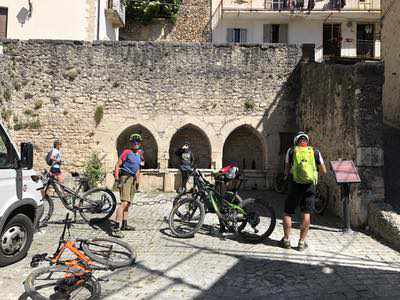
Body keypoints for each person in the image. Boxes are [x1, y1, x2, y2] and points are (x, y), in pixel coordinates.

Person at [280, 131, 326, 251]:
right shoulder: (315, 152)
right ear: (307, 141)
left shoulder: (291, 151)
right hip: (309, 185)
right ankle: (301, 242)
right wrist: (314, 174)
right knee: (306, 213)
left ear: (296, 141)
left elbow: (286, 170)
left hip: (294, 184)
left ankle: (286, 240)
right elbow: (324, 170)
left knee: (288, 212)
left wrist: (287, 176)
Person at [113, 136, 142, 237]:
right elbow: (117, 165)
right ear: (131, 143)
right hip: (125, 178)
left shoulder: (138, 154)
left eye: (138, 142)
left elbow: (138, 169)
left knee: (128, 203)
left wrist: (137, 182)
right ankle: (116, 228)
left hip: (133, 179)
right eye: (134, 142)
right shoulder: (127, 152)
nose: (136, 143)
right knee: (124, 203)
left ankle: (124, 225)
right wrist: (117, 179)